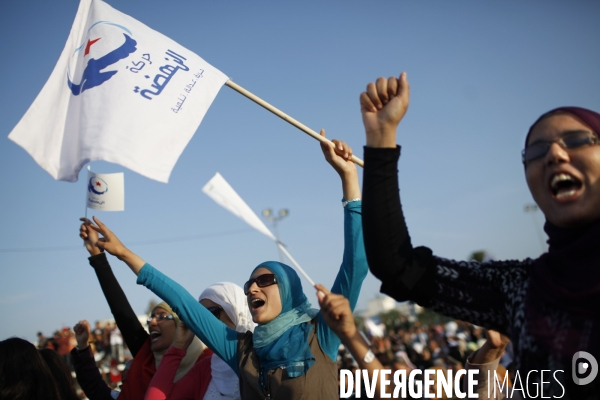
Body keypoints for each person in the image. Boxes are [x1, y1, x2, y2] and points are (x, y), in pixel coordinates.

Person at [360, 72, 600, 399]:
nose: (554, 155)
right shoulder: (521, 288)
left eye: (575, 140)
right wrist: (381, 137)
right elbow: (400, 268)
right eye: (537, 151)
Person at [86, 134, 368, 400]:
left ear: (290, 290)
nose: (253, 288)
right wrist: (123, 254)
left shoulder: (319, 335)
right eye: (248, 285)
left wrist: (349, 177)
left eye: (266, 280)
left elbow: (355, 265)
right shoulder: (241, 351)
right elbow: (182, 302)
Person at [74, 223, 211, 400]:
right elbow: (121, 311)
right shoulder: (145, 357)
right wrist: (96, 255)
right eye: (152, 317)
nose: (152, 322)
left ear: (182, 325)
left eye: (162, 316)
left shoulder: (211, 365)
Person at [145, 282, 256, 400]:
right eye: (201, 318)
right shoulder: (207, 368)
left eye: (211, 314)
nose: (205, 323)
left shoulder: (262, 360)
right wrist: (178, 346)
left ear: (236, 312)